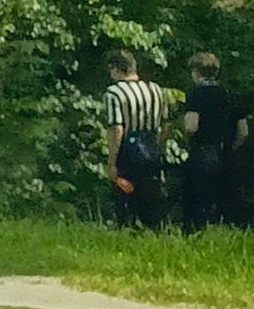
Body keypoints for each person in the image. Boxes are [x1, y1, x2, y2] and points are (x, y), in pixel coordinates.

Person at [178, 52, 248, 231]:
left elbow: (191, 126)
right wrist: (231, 147)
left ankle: (197, 233)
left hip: (203, 151)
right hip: (226, 154)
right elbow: (243, 132)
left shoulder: (197, 94)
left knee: (199, 200)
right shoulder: (229, 94)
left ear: (196, 72)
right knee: (223, 199)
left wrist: (187, 141)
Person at [103, 49, 170, 228]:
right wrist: (158, 146)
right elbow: (166, 124)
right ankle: (155, 232)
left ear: (116, 69)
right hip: (151, 149)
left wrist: (112, 162)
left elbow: (117, 128)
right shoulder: (155, 89)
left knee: (125, 197)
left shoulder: (114, 93)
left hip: (128, 153)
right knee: (152, 199)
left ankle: (126, 230)